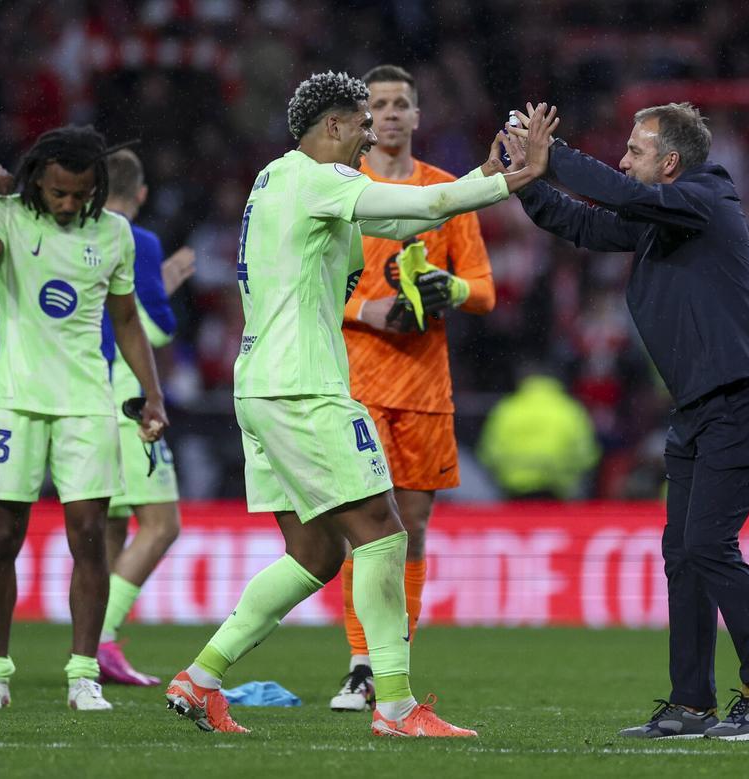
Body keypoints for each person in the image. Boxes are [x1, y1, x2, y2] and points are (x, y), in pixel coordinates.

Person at [163, 71, 544, 737]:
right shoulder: (318, 178)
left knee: (314, 553)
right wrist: (509, 181)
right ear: (334, 126)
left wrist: (480, 174)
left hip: (260, 384)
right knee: (384, 531)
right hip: (305, 387)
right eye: (363, 123)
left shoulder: (276, 180)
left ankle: (200, 678)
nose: (372, 134)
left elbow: (403, 214)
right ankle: (394, 705)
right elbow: (420, 208)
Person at [505, 101, 749, 741]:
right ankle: (691, 705)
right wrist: (525, 182)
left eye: (635, 151)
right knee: (683, 555)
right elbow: (583, 223)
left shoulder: (707, 196)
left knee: (708, 545)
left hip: (743, 394)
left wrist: (551, 154)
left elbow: (609, 191)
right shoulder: (658, 221)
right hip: (698, 403)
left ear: (670, 162)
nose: (622, 160)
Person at [0, 125, 169, 712]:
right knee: (1, 537)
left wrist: (152, 395)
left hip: (85, 402)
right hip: (15, 398)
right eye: (58, 193)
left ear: (97, 185)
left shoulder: (115, 232)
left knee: (90, 538)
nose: (70, 203)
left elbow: (126, 319)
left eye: (81, 193)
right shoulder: (7, 215)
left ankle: (82, 676)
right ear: (37, 183)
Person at [328, 64, 497, 712]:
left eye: (403, 103)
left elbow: (483, 288)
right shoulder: (341, 191)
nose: (392, 113)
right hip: (357, 379)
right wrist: (362, 311)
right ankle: (361, 663)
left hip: (425, 383)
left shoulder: (447, 193)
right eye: (381, 104)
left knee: (414, 527)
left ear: (418, 116)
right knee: (365, 527)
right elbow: (301, 280)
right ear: (364, 117)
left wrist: (452, 289)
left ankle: (393, 656)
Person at [97, 148, 195, 686]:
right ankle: (99, 639)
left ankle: (96, 648)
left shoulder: (81, 235)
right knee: (161, 525)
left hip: (86, 400)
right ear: (140, 194)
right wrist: (165, 283)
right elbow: (152, 330)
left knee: (112, 530)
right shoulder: (138, 241)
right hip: (130, 403)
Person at [477, 370, 600, 499]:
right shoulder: (569, 409)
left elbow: (488, 454)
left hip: (513, 492)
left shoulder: (506, 409)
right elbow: (586, 456)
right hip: (556, 491)